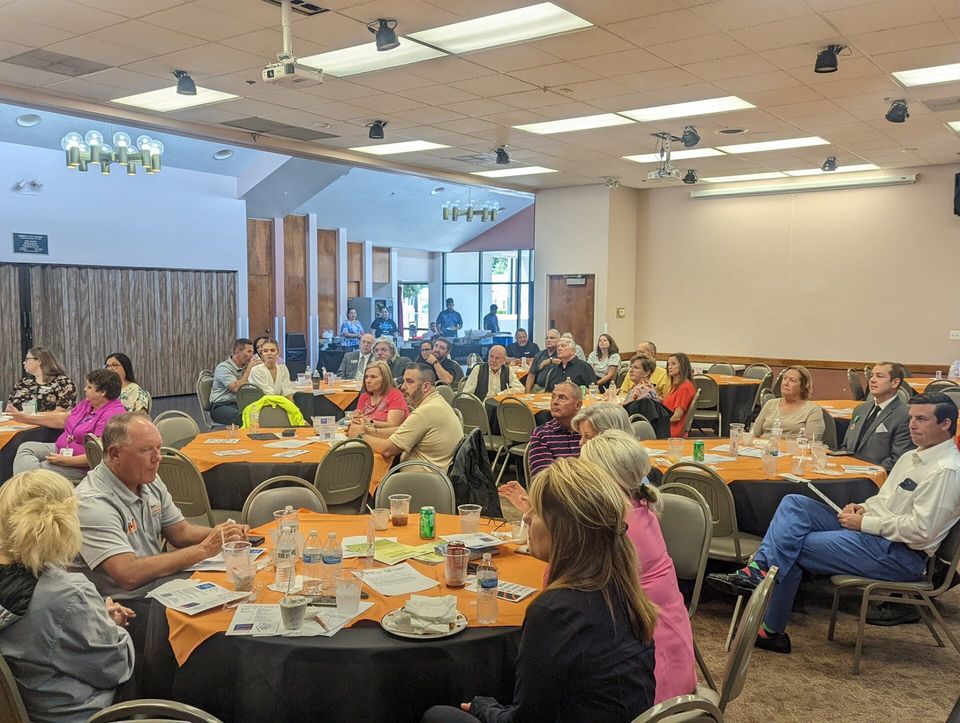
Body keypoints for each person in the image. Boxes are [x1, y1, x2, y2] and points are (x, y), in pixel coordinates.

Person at [708, 394, 960, 654]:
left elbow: (921, 532)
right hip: (873, 534)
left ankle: (769, 624)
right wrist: (863, 507)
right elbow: (884, 500)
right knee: (795, 503)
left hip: (900, 554)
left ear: (945, 424)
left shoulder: (946, 471)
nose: (912, 425)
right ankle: (761, 575)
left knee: (791, 545)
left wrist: (864, 523)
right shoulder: (912, 457)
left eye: (922, 419)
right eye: (911, 418)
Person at [423, 457, 658, 722]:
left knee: (438, 714)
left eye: (535, 511)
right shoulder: (622, 585)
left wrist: (482, 706)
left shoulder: (556, 610)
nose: (525, 516)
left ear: (562, 529)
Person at [0, 470, 134, 723]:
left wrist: (88, 617)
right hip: (77, 714)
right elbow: (115, 668)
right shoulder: (69, 594)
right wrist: (111, 628)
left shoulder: (60, 597)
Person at [75, 414, 248, 604]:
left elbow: (181, 532)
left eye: (159, 447)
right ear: (115, 454)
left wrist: (223, 534)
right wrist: (204, 549)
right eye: (146, 450)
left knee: (240, 588)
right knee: (225, 607)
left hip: (154, 586)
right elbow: (128, 575)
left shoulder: (148, 480)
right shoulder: (92, 503)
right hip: (120, 606)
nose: (158, 458)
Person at [580, 431, 697, 703]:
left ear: (604, 478)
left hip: (650, 679)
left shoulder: (617, 527)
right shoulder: (640, 507)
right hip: (672, 655)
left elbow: (567, 586)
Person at [12, 369, 126, 482]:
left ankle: (26, 492)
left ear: (103, 392)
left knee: (36, 469)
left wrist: (66, 461)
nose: (85, 389)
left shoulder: (113, 414)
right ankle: (29, 490)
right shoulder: (87, 403)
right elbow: (63, 419)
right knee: (26, 448)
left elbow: (99, 454)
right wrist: (25, 418)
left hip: (82, 466)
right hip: (61, 448)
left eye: (89, 387)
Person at [347, 364, 461, 469]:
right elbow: (400, 430)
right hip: (431, 474)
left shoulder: (426, 412)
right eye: (404, 381)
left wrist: (360, 436)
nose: (403, 387)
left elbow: (387, 449)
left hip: (418, 480)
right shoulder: (436, 403)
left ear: (426, 386)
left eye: (409, 382)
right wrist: (367, 430)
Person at [840, 362, 914, 471]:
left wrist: (868, 471)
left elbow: (898, 459)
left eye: (879, 376)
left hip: (878, 477)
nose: (872, 380)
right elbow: (846, 446)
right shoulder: (860, 410)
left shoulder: (904, 415)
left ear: (895, 382)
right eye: (872, 376)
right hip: (848, 471)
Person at [752, 365, 825, 439]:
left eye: (792, 380)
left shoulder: (812, 410)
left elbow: (811, 442)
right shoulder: (770, 404)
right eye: (784, 378)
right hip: (764, 447)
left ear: (803, 386)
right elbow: (755, 433)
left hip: (793, 449)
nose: (786, 383)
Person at [527, 381, 582, 476]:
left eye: (562, 398)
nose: (555, 402)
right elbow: (544, 478)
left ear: (578, 405)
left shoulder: (588, 432)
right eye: (553, 397)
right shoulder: (542, 434)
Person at [6, 346, 77, 412]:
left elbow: (61, 414)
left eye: (27, 359)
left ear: (39, 361)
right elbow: (9, 409)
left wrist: (28, 418)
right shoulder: (22, 383)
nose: (24, 362)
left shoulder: (63, 383)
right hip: (16, 424)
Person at [209, 338, 260, 425]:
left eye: (252, 352)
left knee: (261, 414)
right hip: (221, 405)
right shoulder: (223, 368)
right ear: (237, 351)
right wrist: (249, 369)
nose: (252, 355)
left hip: (239, 403)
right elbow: (236, 388)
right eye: (249, 352)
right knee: (242, 417)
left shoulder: (245, 367)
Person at [354, 360, 408, 428]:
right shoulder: (364, 396)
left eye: (373, 377)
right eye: (366, 377)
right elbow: (358, 419)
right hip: (364, 433)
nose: (368, 381)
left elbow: (393, 425)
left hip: (387, 436)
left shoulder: (396, 395)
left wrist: (368, 421)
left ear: (385, 379)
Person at [663, 352, 697, 438]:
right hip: (669, 425)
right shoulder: (676, 385)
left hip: (673, 429)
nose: (669, 367)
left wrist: (659, 423)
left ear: (682, 366)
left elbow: (677, 417)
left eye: (673, 364)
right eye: (668, 364)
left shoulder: (684, 387)